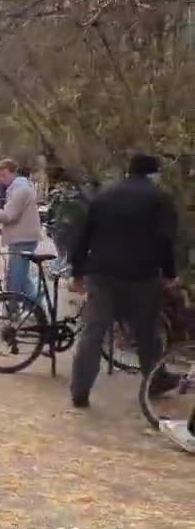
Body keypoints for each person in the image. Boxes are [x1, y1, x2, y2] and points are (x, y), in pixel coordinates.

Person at [67, 153, 180, 412]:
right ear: (153, 174)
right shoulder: (159, 199)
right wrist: (170, 273)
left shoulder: (105, 196)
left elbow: (83, 235)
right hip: (142, 275)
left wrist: (78, 271)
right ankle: (155, 380)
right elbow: (165, 240)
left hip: (101, 273)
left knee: (93, 332)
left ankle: (80, 390)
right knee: (147, 333)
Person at [0, 158, 42, 299]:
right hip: (23, 237)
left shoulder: (21, 190)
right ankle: (36, 309)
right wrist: (4, 229)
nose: (1, 179)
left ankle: (17, 308)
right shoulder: (17, 189)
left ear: (13, 173)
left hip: (23, 239)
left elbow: (8, 215)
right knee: (22, 278)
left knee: (15, 279)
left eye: (4, 175)